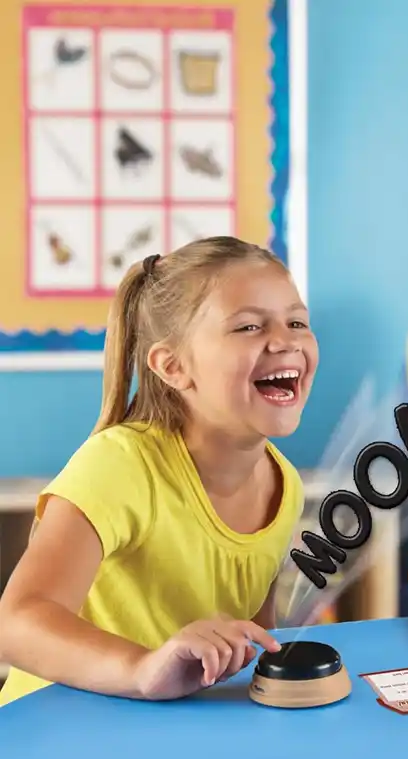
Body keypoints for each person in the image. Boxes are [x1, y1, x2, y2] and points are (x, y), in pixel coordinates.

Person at [0, 237, 317, 707]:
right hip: (58, 735)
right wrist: (143, 668)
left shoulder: (284, 484)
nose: (285, 340)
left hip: (165, 743)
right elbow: (17, 624)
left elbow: (254, 637)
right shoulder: (120, 465)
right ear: (173, 366)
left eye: (296, 322)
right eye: (249, 326)